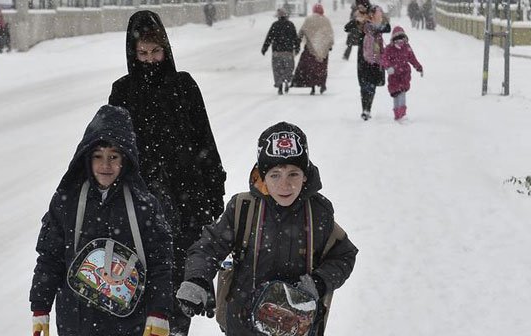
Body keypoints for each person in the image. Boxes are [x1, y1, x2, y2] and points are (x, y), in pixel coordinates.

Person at [175, 121, 359, 336]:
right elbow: (208, 247)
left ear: (305, 175)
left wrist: (318, 282)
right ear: (262, 176)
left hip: (296, 326)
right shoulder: (243, 208)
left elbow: (344, 255)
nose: (285, 184)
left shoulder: (318, 212)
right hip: (243, 325)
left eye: (293, 174)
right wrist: (197, 278)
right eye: (275, 175)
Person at [108, 10, 227, 336]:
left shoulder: (184, 86)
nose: (148, 60)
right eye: (142, 53)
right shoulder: (123, 92)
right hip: (139, 208)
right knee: (135, 293)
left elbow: (205, 141)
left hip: (186, 205)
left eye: (155, 52)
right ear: (133, 54)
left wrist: (213, 195)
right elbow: (111, 149)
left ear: (166, 50)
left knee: (178, 297)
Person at [29, 105, 173, 336]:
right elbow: (50, 258)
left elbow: (160, 264)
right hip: (76, 322)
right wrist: (40, 308)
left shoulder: (144, 205)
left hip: (129, 323)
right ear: (86, 158)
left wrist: (159, 314)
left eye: (113, 157)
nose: (105, 165)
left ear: (125, 159)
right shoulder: (67, 201)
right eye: (98, 156)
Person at [346, 4, 391, 121]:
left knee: (372, 85)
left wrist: (380, 20)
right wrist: (357, 20)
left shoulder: (379, 26)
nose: (379, 15)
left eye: (379, 13)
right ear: (371, 14)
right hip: (363, 58)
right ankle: (365, 109)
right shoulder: (364, 26)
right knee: (364, 85)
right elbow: (346, 28)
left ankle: (367, 109)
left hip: (376, 58)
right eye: (377, 13)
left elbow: (388, 28)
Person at [381, 26, 423, 120]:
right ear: (393, 39)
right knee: (395, 93)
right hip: (393, 76)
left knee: (402, 92)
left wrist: (418, 67)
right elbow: (384, 59)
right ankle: (397, 113)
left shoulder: (407, 47)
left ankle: (402, 113)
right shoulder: (389, 49)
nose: (400, 42)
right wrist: (388, 67)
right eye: (397, 39)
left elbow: (412, 58)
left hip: (405, 74)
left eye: (402, 39)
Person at [291, 4, 334, 95]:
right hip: (323, 49)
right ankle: (322, 84)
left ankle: (312, 85)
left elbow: (302, 31)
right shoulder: (326, 20)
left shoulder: (309, 20)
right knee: (321, 68)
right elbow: (329, 34)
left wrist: (297, 41)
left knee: (310, 67)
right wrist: (329, 46)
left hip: (310, 49)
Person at [261, 8, 300, 95]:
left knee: (277, 69)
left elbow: (269, 37)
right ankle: (286, 80)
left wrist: (264, 48)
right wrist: (297, 48)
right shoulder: (290, 25)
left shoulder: (275, 25)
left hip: (277, 52)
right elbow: (295, 38)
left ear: (278, 16)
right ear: (286, 16)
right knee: (289, 68)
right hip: (288, 52)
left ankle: (279, 86)